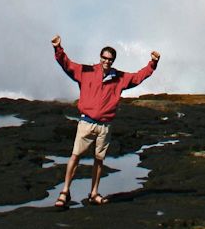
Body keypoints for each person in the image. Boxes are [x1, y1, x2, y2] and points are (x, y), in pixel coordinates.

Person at [51, 34, 160, 207]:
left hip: (105, 125)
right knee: (75, 156)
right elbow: (67, 65)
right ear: (100, 58)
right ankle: (65, 192)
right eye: (104, 58)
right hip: (86, 122)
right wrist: (58, 48)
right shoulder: (86, 71)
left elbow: (138, 77)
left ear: (113, 60)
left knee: (99, 159)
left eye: (110, 59)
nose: (107, 61)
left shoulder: (119, 77)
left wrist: (152, 63)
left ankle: (93, 193)